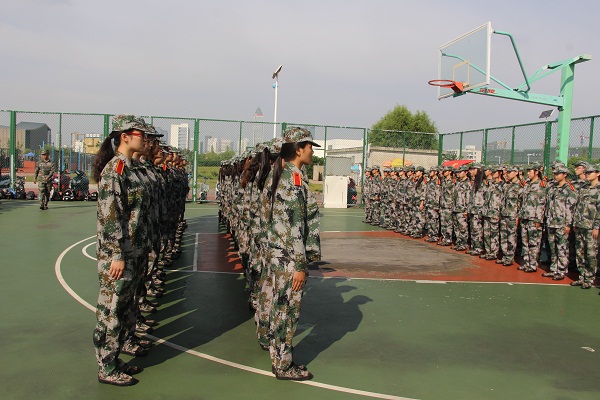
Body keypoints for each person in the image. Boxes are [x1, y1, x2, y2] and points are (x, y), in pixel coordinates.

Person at [92, 115, 150, 386]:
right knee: (111, 312)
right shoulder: (114, 170)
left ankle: (114, 359)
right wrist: (116, 254)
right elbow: (111, 215)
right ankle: (105, 366)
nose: (145, 139)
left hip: (132, 252)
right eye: (141, 134)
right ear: (125, 136)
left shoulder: (129, 169)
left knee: (124, 310)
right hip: (118, 255)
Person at [264, 127, 321, 381]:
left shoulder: (282, 174)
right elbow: (295, 226)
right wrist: (300, 264)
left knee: (280, 309)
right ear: (298, 149)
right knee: (287, 313)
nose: (312, 152)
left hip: (280, 254)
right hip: (289, 258)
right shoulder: (293, 180)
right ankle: (283, 365)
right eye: (309, 147)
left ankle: (279, 359)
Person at [543, 165, 576, 280]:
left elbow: (570, 209)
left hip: (562, 224)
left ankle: (561, 271)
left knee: (562, 248)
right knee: (553, 248)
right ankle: (554, 269)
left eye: (558, 174)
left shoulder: (569, 190)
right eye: (555, 174)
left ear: (565, 174)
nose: (555, 176)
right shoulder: (553, 188)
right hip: (551, 222)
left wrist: (568, 224)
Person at [571, 163, 600, 289]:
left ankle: (589, 278)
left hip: (591, 227)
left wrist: (596, 227)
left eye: (590, 172)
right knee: (580, 252)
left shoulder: (598, 190)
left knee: (591, 253)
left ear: (598, 173)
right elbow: (578, 207)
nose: (587, 174)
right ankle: (581, 276)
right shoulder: (583, 187)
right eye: (586, 172)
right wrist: (575, 223)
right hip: (580, 225)